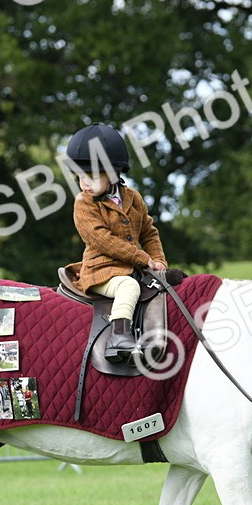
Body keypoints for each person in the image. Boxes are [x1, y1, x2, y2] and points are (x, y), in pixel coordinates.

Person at [63, 124, 168, 362]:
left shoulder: (133, 197)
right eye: (79, 176)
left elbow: (149, 232)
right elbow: (103, 240)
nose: (84, 183)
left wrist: (159, 260)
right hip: (101, 272)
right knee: (128, 287)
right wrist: (143, 259)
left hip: (131, 269)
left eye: (90, 176)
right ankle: (118, 338)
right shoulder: (84, 203)